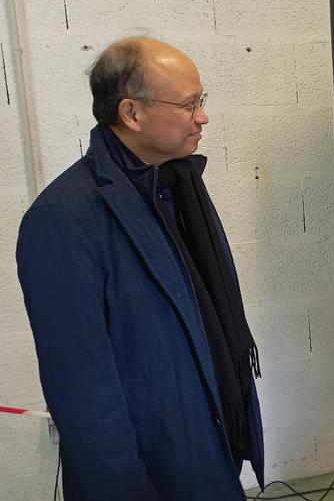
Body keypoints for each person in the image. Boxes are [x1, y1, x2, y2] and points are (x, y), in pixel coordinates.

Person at [16, 37, 263, 500]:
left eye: (201, 101)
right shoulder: (64, 221)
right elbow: (84, 399)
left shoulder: (178, 185)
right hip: (155, 469)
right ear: (131, 113)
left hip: (207, 442)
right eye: (190, 104)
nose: (203, 116)